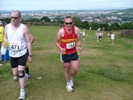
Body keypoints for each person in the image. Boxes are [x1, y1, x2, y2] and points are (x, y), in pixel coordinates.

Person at [4, 10, 32, 100]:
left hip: (22, 52)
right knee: (15, 73)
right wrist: (5, 43)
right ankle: (23, 80)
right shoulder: (7, 27)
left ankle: (22, 91)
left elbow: (28, 42)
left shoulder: (24, 28)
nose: (13, 19)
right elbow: (5, 37)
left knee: (20, 72)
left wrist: (30, 55)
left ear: (20, 18)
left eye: (15, 17)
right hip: (12, 53)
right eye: (11, 17)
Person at [55, 16, 82, 92]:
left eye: (70, 23)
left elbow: (79, 40)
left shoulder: (76, 30)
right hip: (65, 53)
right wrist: (60, 48)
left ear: (73, 23)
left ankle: (70, 77)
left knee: (76, 69)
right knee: (66, 68)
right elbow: (56, 42)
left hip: (74, 52)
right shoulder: (61, 32)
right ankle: (68, 84)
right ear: (64, 23)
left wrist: (79, 46)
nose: (68, 25)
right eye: (67, 23)